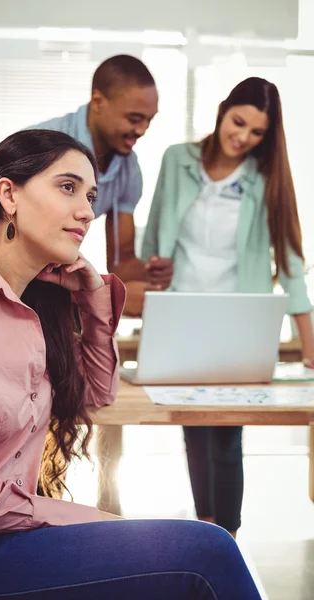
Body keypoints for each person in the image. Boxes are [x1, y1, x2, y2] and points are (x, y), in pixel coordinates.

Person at [0, 129, 262, 599]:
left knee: (199, 555)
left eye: (91, 195)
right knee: (208, 552)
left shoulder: (35, 301)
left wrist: (96, 299)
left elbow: (98, 393)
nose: (87, 211)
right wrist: (88, 520)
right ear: (8, 194)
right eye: (67, 187)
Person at [142, 77, 314, 538]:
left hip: (240, 320)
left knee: (227, 431)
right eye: (239, 122)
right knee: (193, 426)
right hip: (181, 313)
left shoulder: (265, 177)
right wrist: (146, 278)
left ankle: (228, 536)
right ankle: (207, 527)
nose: (243, 137)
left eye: (257, 132)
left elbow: (291, 260)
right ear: (222, 111)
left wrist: (309, 341)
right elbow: (155, 229)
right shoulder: (176, 160)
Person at [28, 54, 173, 316]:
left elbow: (121, 260)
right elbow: (19, 257)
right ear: (98, 102)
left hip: (56, 303)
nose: (142, 130)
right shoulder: (40, 148)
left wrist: (152, 274)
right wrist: (104, 297)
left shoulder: (128, 170)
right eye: (134, 118)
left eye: (149, 120)